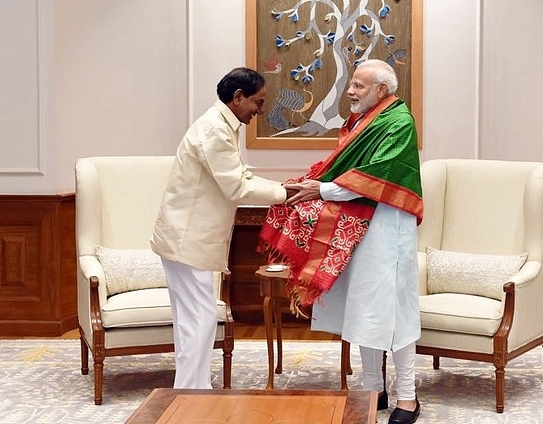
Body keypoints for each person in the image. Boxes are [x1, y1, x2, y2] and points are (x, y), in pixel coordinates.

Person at [258, 59, 423, 424]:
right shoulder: (361, 121)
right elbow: (347, 170)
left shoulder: (398, 122)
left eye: (360, 86)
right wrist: (316, 186)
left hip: (389, 229)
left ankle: (408, 397)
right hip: (359, 227)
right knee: (364, 306)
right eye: (351, 84)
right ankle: (372, 389)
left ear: (382, 90)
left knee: (395, 311)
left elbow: (376, 176)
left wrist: (323, 188)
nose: (350, 90)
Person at [151, 67, 293, 389]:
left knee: (192, 321)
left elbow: (236, 175)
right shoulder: (215, 129)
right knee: (200, 319)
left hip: (187, 239)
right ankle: (188, 394)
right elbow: (237, 187)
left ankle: (194, 390)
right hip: (187, 240)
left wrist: (281, 188)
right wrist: (285, 193)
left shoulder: (224, 125)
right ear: (238, 97)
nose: (261, 110)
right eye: (258, 102)